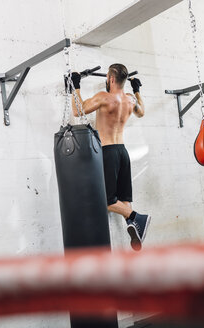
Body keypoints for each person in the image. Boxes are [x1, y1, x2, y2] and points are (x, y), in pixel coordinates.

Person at [69, 64, 150, 251]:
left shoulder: (103, 97)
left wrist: (76, 84)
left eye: (107, 78)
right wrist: (137, 91)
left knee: (106, 200)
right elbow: (141, 112)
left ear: (111, 79)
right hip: (123, 152)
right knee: (123, 197)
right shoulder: (130, 100)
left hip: (107, 152)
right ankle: (133, 223)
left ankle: (137, 218)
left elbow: (78, 110)